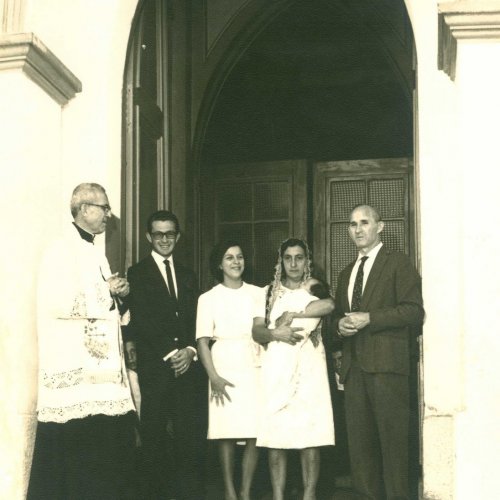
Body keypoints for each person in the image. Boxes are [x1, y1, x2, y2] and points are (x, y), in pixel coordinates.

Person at [28, 183, 137, 500]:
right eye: (104, 208)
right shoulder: (59, 249)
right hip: (76, 377)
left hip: (100, 376)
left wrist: (120, 296)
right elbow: (58, 303)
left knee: (102, 459)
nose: (108, 214)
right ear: (84, 208)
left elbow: (107, 309)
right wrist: (108, 292)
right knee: (75, 457)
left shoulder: (96, 254)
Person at [332, 204, 424, 500]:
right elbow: (336, 319)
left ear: (379, 227)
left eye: (364, 222)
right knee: (361, 452)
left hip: (388, 369)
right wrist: (338, 328)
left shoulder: (397, 263)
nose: (357, 229)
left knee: (394, 449)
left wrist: (370, 318)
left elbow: (413, 312)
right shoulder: (346, 273)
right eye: (352, 224)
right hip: (354, 371)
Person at [126, 209, 203, 500]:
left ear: (178, 236)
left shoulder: (187, 274)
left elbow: (197, 316)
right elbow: (142, 320)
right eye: (158, 234)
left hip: (187, 367)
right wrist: (172, 352)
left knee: (188, 436)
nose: (164, 239)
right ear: (149, 236)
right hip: (156, 368)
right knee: (154, 437)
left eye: (170, 233)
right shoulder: (138, 272)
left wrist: (190, 350)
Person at [252, 238, 335, 500]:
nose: (294, 263)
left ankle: (308, 496)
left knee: (310, 435)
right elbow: (257, 331)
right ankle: (278, 496)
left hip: (309, 365)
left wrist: (294, 314)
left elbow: (330, 305)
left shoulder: (313, 286)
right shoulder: (266, 292)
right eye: (288, 258)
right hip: (277, 365)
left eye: (299, 257)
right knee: (277, 435)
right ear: (281, 261)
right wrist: (276, 332)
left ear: (306, 261)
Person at [196, 240, 263, 500]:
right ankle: (230, 491)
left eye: (240, 256)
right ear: (219, 264)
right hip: (223, 363)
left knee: (253, 431)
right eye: (229, 257)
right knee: (226, 430)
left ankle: (245, 491)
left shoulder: (258, 293)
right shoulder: (208, 298)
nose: (236, 262)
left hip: (253, 362)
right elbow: (202, 341)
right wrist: (213, 377)